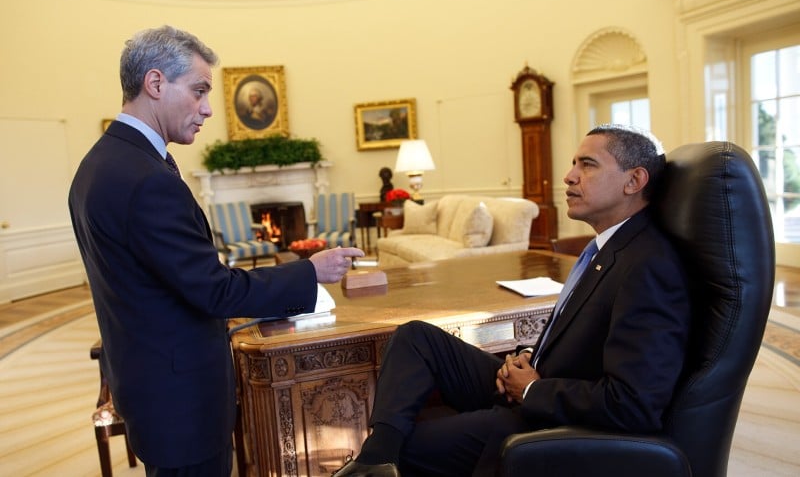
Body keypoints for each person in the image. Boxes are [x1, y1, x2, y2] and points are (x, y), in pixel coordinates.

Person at [68, 25, 363, 476]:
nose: (208, 108)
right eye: (199, 90)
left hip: (147, 385)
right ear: (155, 83)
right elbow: (212, 291)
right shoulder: (146, 179)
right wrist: (309, 271)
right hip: (181, 399)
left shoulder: (97, 163)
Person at [333, 124, 692, 477]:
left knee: (406, 446)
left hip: (543, 420)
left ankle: (377, 460)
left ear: (634, 181)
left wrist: (534, 389)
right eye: (573, 163)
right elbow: (580, 339)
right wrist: (526, 356)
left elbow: (635, 404)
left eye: (587, 165)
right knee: (415, 337)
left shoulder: (649, 266)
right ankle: (376, 460)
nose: (568, 176)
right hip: (534, 380)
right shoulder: (608, 247)